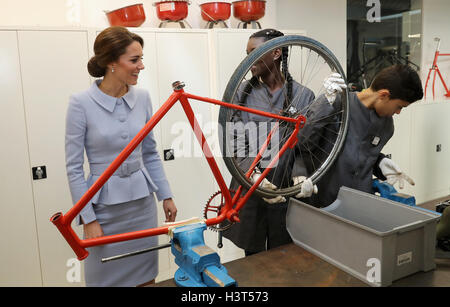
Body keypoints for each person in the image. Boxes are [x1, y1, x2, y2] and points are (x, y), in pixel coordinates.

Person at [65, 26, 177, 287]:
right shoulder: (80, 103)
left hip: (142, 206)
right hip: (103, 212)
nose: (141, 66)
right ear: (112, 63)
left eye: (142, 59)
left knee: (146, 277)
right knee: (105, 281)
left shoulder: (143, 98)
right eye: (134, 60)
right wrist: (88, 219)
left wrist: (166, 194)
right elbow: (73, 168)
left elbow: (149, 152)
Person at [222, 29, 317, 256]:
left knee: (286, 253)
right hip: (249, 184)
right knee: (253, 255)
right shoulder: (240, 94)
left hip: (286, 186)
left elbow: (307, 144)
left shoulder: (304, 96)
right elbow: (234, 142)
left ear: (275, 53)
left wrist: (301, 173)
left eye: (253, 52)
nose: (248, 59)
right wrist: (252, 175)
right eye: (246, 53)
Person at [301, 64, 423, 208]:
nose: (398, 113)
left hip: (359, 204)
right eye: (399, 106)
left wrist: (380, 162)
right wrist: (325, 102)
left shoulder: (386, 126)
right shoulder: (337, 104)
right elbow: (302, 142)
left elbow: (359, 153)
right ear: (383, 95)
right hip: (324, 201)